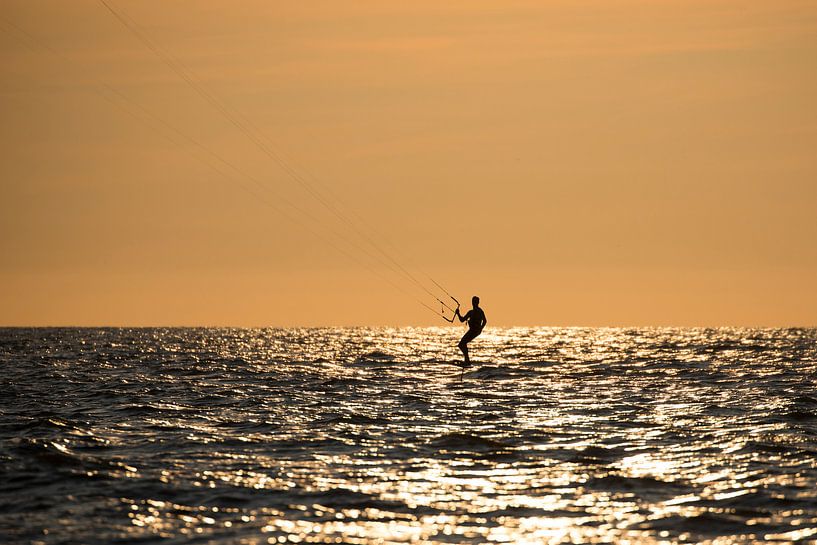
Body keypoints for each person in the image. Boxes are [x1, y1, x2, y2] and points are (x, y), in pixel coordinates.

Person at [455, 296, 487, 366]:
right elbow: (462, 320)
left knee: (462, 344)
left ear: (478, 302)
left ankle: (467, 360)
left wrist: (480, 328)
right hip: (473, 331)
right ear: (472, 302)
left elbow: (485, 321)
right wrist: (458, 314)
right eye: (473, 302)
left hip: (474, 331)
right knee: (462, 344)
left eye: (475, 302)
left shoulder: (479, 311)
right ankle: (467, 360)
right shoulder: (471, 312)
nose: (474, 303)